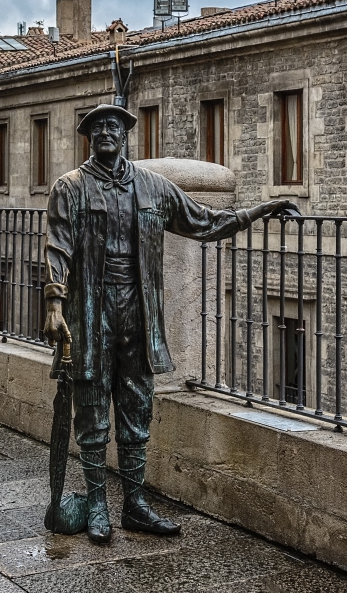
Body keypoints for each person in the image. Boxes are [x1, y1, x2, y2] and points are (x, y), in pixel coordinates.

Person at [44, 103, 296, 544]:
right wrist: (53, 303)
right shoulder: (70, 188)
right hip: (91, 310)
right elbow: (58, 248)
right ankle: (98, 503)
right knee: (91, 404)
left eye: (114, 125)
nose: (106, 131)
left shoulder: (154, 188)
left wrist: (260, 210)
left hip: (139, 312)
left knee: (137, 405)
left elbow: (204, 222)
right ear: (87, 135)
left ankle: (136, 504)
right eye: (97, 126)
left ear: (125, 135)